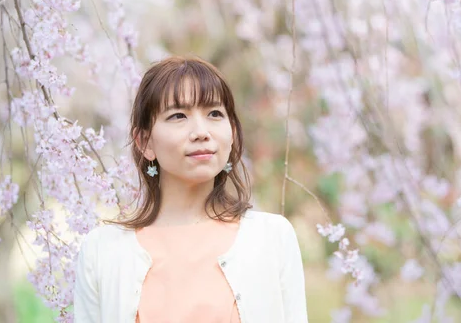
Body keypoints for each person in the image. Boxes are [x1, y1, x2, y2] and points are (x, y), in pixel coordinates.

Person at [74, 56, 308, 322]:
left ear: (231, 133)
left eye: (214, 114)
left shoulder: (272, 238)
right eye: (178, 116)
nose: (201, 132)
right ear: (144, 142)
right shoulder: (102, 251)